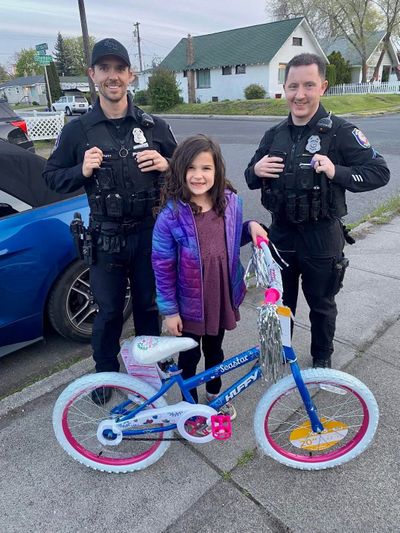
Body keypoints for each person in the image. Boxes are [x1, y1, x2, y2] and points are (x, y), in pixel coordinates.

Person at [43, 38, 177, 403]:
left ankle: (148, 370)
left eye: (119, 68)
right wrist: (81, 171)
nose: (112, 76)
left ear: (130, 75)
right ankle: (105, 374)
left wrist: (167, 165)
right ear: (92, 74)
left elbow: (188, 172)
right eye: (104, 68)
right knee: (108, 313)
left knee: (149, 307)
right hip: (106, 238)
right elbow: (51, 178)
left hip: (150, 234)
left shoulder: (155, 126)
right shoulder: (78, 130)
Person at [245, 53, 390, 369]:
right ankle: (279, 354)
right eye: (293, 86)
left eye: (308, 85)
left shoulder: (340, 132)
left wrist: (336, 171)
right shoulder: (274, 135)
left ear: (323, 86)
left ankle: (322, 360)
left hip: (321, 236)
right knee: (280, 302)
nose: (300, 94)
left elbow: (380, 172)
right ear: (284, 87)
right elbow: (249, 178)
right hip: (281, 233)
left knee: (322, 305)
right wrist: (256, 169)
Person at [152, 134, 268, 419]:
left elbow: (228, 240)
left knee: (215, 352)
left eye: (206, 168)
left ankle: (215, 395)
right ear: (179, 170)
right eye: (191, 168)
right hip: (188, 303)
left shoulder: (228, 203)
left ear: (217, 171)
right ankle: (188, 407)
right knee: (189, 356)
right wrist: (170, 312)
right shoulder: (170, 216)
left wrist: (251, 226)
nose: (198, 175)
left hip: (219, 296)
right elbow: (162, 266)